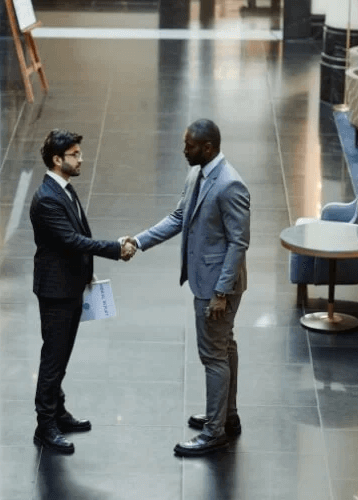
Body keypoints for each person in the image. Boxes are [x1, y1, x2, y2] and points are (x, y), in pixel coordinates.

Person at [127, 119, 250, 456]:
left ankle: (214, 432)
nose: (183, 150)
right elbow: (179, 217)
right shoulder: (197, 173)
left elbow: (239, 244)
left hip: (217, 287)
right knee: (224, 346)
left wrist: (221, 294)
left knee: (213, 355)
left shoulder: (229, 185)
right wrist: (138, 242)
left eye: (189, 145)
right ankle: (227, 416)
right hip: (207, 281)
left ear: (207, 148)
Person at [30, 129, 137, 454]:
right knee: (53, 358)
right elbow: (72, 241)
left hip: (70, 286)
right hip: (56, 291)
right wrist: (115, 249)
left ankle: (58, 413)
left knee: (61, 356)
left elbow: (78, 235)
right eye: (75, 155)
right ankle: (45, 425)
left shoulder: (63, 189)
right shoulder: (47, 198)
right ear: (57, 159)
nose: (81, 159)